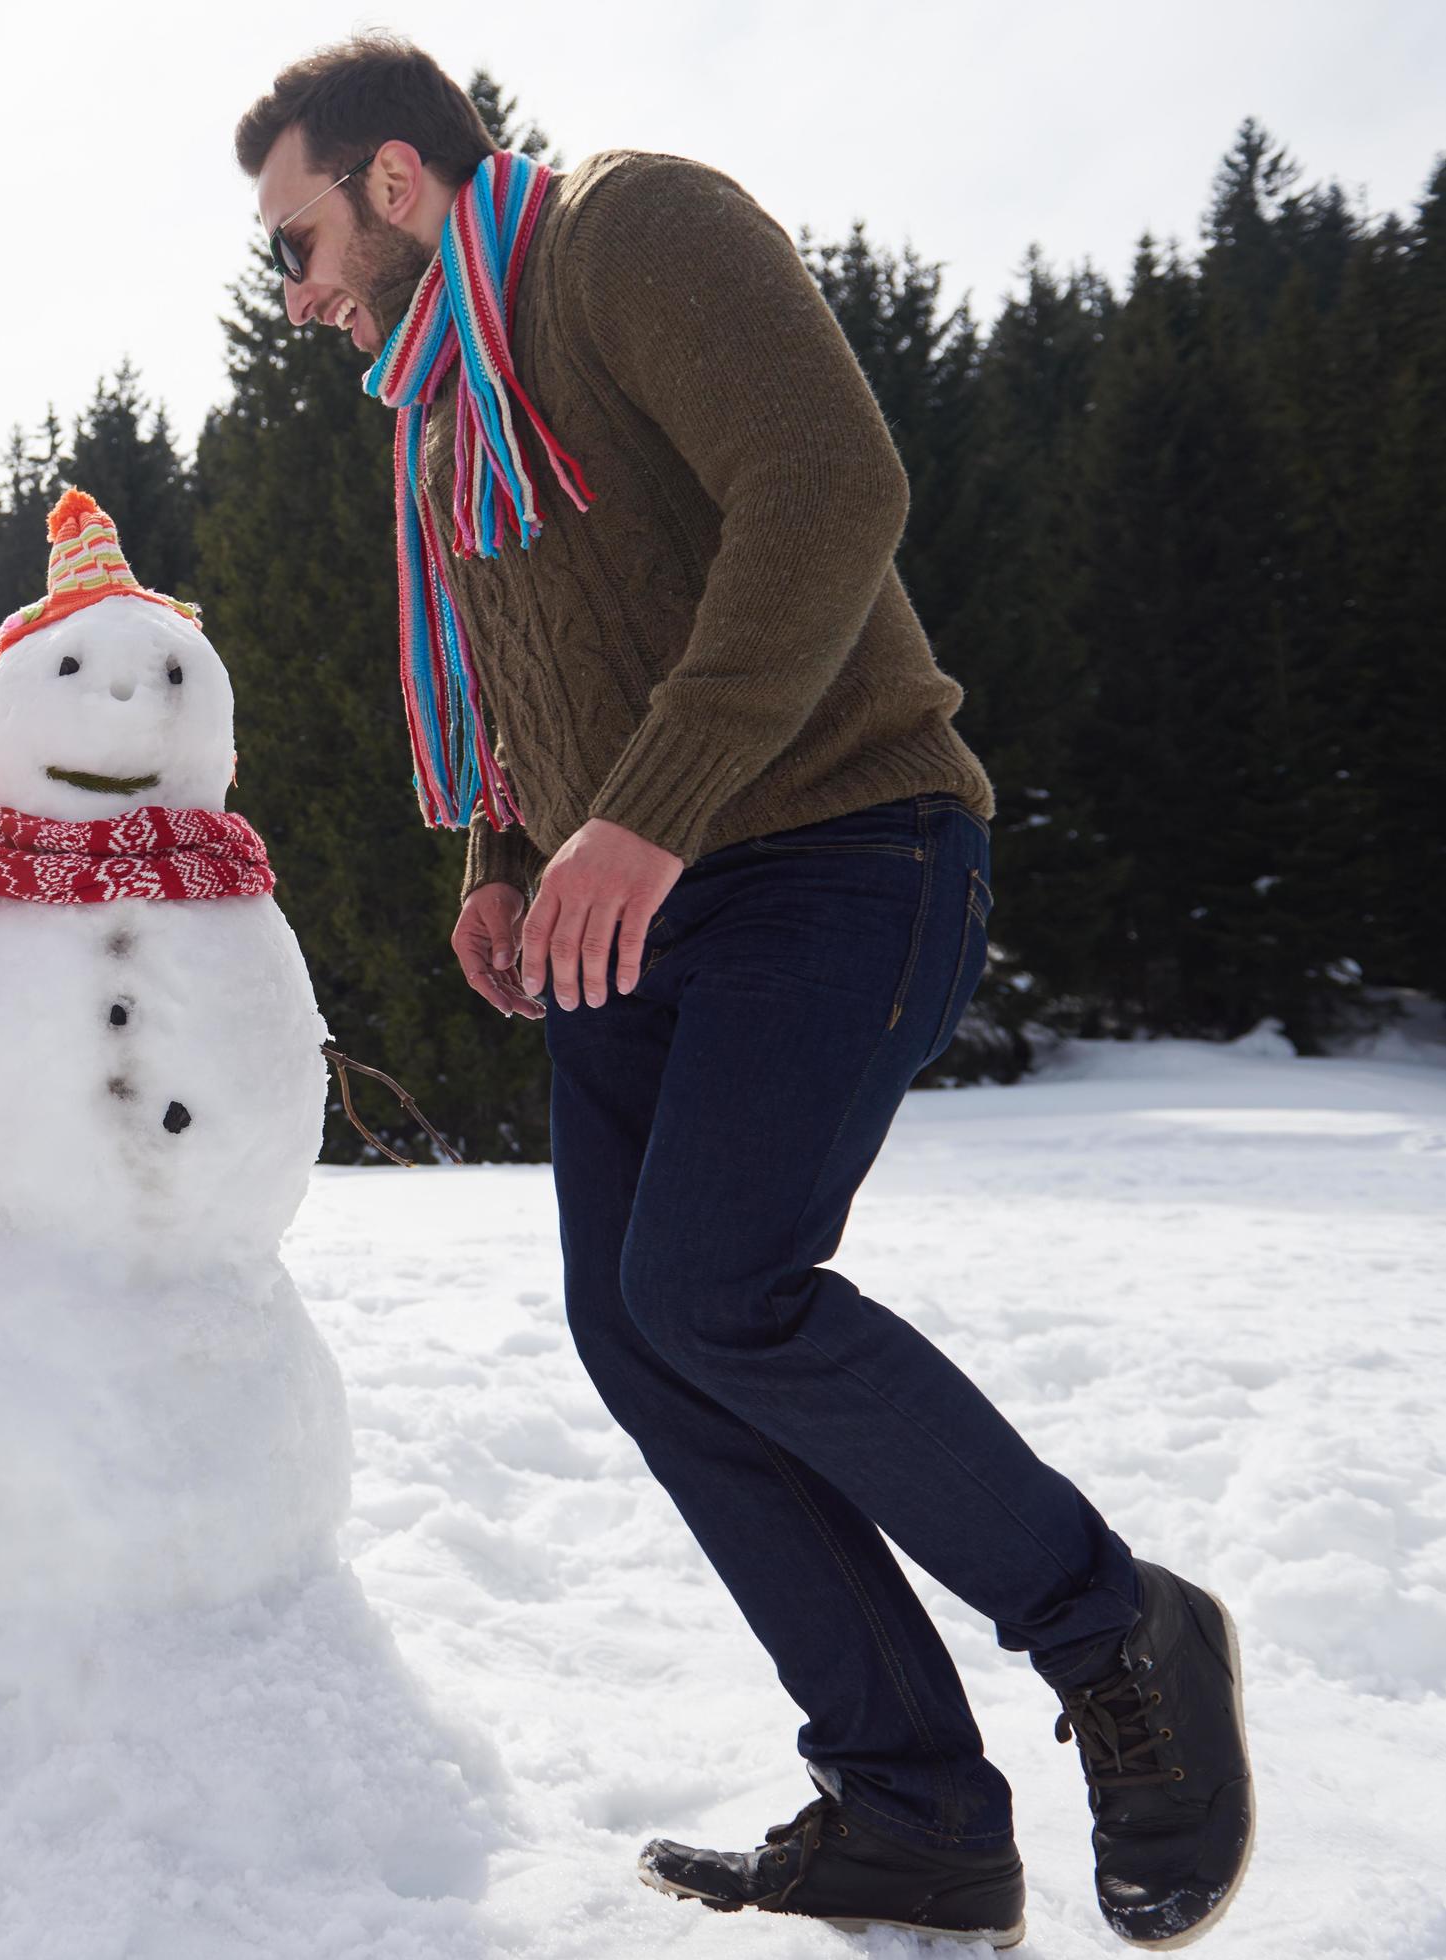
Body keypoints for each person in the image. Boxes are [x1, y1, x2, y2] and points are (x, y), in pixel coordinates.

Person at [239, 37, 1252, 1952]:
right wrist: (507, 857)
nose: (290, 290)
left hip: (838, 844)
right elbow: (534, 664)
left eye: (294, 236)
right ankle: (910, 1813)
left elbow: (828, 490)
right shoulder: (444, 407)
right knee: (644, 1337)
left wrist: (645, 814)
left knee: (715, 1287)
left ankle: (1112, 1623)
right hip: (638, 891)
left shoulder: (632, 229)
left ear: (390, 179)